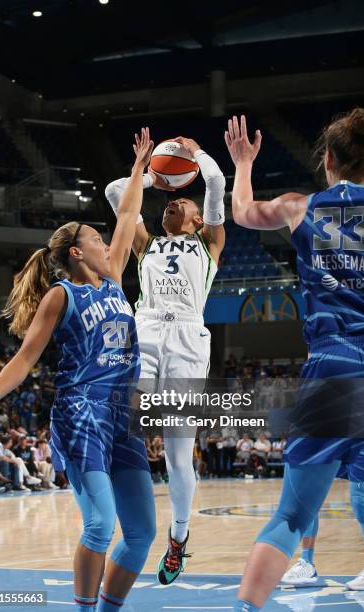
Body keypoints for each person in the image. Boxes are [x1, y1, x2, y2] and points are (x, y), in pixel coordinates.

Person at [0, 128, 156, 612]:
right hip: (82, 413)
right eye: (95, 238)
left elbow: (129, 214)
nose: (104, 241)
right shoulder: (62, 295)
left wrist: (138, 168)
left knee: (141, 533)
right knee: (100, 524)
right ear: (77, 252)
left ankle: (108, 608)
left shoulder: (114, 276)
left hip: (123, 414)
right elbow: (28, 355)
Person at [225, 108, 364, 611]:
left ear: (328, 159)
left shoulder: (298, 206)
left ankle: (247, 608)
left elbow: (243, 212)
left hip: (335, 366)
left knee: (291, 517)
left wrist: (243, 163)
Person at [106, 136, 226, 584]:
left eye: (178, 206)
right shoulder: (145, 243)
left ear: (198, 220)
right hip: (147, 330)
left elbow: (214, 182)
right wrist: (148, 174)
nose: (168, 206)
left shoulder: (211, 242)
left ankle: (178, 538)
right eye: (166, 203)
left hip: (189, 341)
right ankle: (120, 516)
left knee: (179, 456)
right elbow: (116, 193)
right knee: (125, 421)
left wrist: (196, 155)